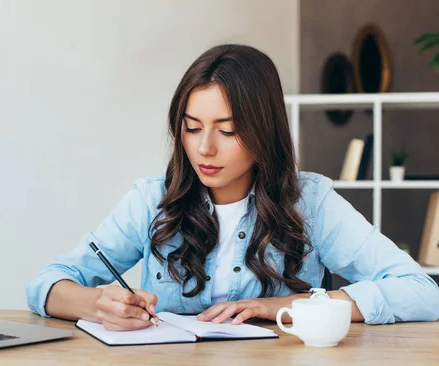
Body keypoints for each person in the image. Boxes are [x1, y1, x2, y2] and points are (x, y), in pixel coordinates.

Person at [26, 44, 439, 331]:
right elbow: (47, 284)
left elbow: (421, 292)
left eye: (228, 130)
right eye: (191, 128)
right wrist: (97, 305)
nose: (204, 148)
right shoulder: (151, 200)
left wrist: (282, 307)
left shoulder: (311, 203)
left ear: (264, 131)